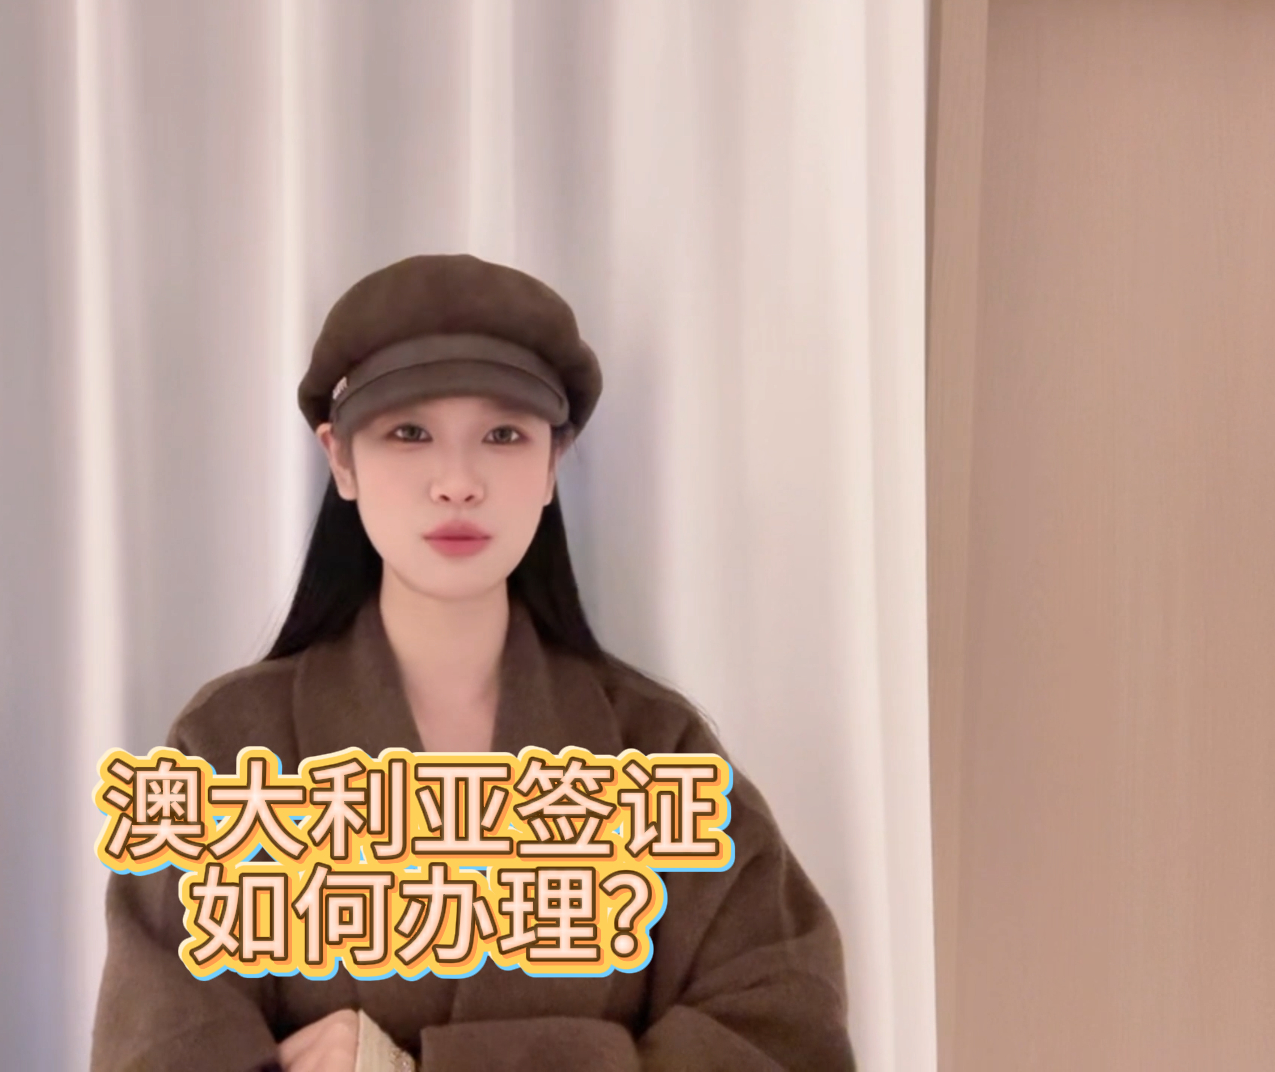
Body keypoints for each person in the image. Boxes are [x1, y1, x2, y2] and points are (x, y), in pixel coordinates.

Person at [90, 254, 854, 1071]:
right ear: (340, 459)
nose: (457, 482)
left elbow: (785, 1034)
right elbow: (159, 1050)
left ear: (553, 462)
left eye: (503, 435)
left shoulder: (658, 750)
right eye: (409, 433)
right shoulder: (229, 747)